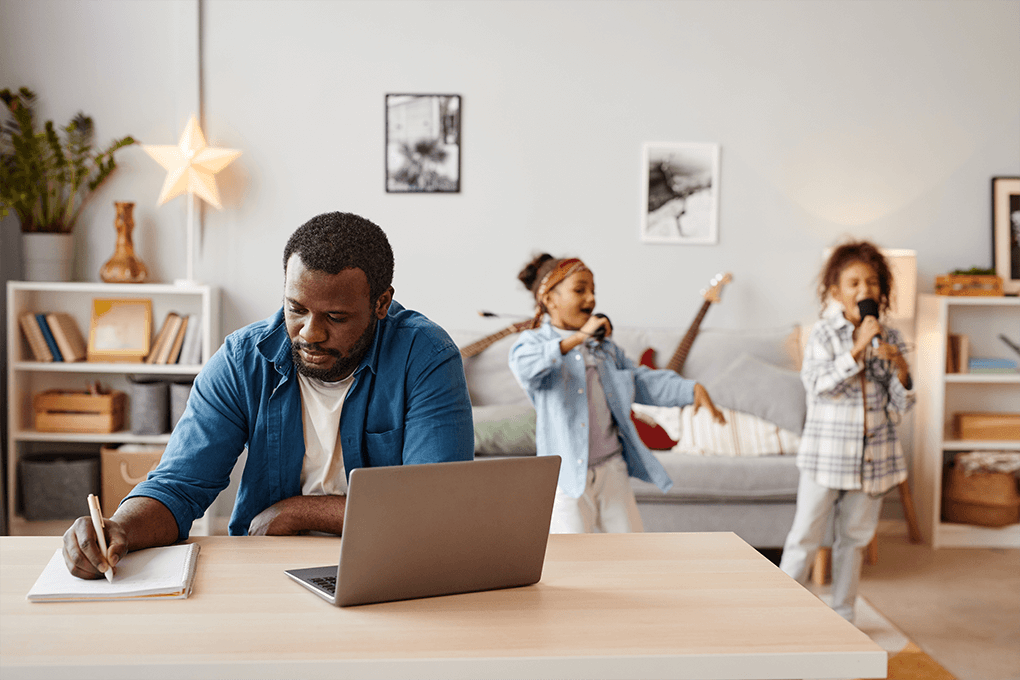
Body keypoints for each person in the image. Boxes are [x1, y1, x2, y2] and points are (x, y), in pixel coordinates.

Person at [63, 212, 474, 580]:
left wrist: (298, 511)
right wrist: (119, 528)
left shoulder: (426, 357)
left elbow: (432, 509)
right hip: (265, 565)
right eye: (296, 309)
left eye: (335, 317)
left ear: (381, 303)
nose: (310, 333)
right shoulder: (242, 360)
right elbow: (178, 486)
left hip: (390, 563)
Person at [508, 254, 726, 534]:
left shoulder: (603, 348)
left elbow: (638, 380)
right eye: (580, 290)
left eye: (593, 291)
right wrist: (577, 339)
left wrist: (688, 389)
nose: (591, 299)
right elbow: (526, 368)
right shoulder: (533, 343)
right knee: (573, 558)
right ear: (549, 300)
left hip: (612, 468)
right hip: (567, 476)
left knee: (630, 549)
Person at [779, 240, 914, 623]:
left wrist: (902, 369)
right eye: (853, 283)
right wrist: (854, 351)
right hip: (825, 457)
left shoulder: (891, 338)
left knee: (853, 541)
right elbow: (819, 386)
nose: (864, 290)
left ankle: (843, 616)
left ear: (882, 291)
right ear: (836, 291)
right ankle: (783, 614)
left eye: (872, 282)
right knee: (804, 537)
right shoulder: (823, 335)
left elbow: (899, 405)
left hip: (872, 460)